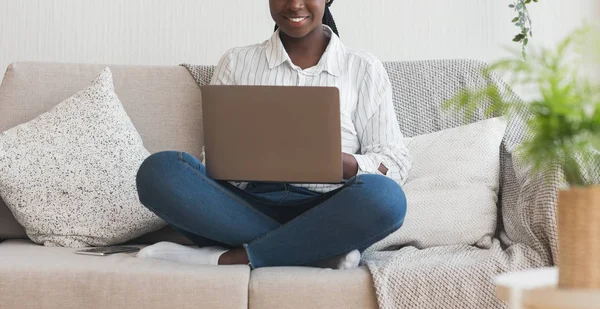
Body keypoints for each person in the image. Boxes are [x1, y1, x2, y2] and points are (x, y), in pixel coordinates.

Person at [135, 0, 411, 269]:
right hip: (244, 207)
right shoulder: (236, 62)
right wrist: (251, 158)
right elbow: (214, 163)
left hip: (329, 210)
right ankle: (316, 252)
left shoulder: (363, 68)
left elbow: (395, 163)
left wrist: (334, 160)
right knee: (159, 171)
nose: (295, 4)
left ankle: (232, 258)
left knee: (386, 199)